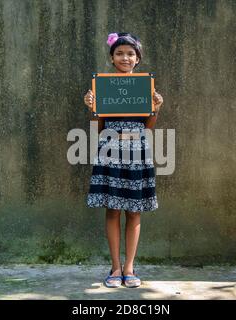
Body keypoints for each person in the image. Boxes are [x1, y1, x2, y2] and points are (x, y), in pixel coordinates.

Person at [84, 32, 164, 288]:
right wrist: (92, 108)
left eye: (131, 53)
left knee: (134, 210)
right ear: (112, 57)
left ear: (138, 59)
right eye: (120, 53)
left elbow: (147, 128)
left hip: (137, 150)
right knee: (113, 209)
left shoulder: (145, 87)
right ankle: (115, 268)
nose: (125, 57)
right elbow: (99, 128)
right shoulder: (103, 87)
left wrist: (156, 108)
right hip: (110, 147)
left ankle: (129, 268)